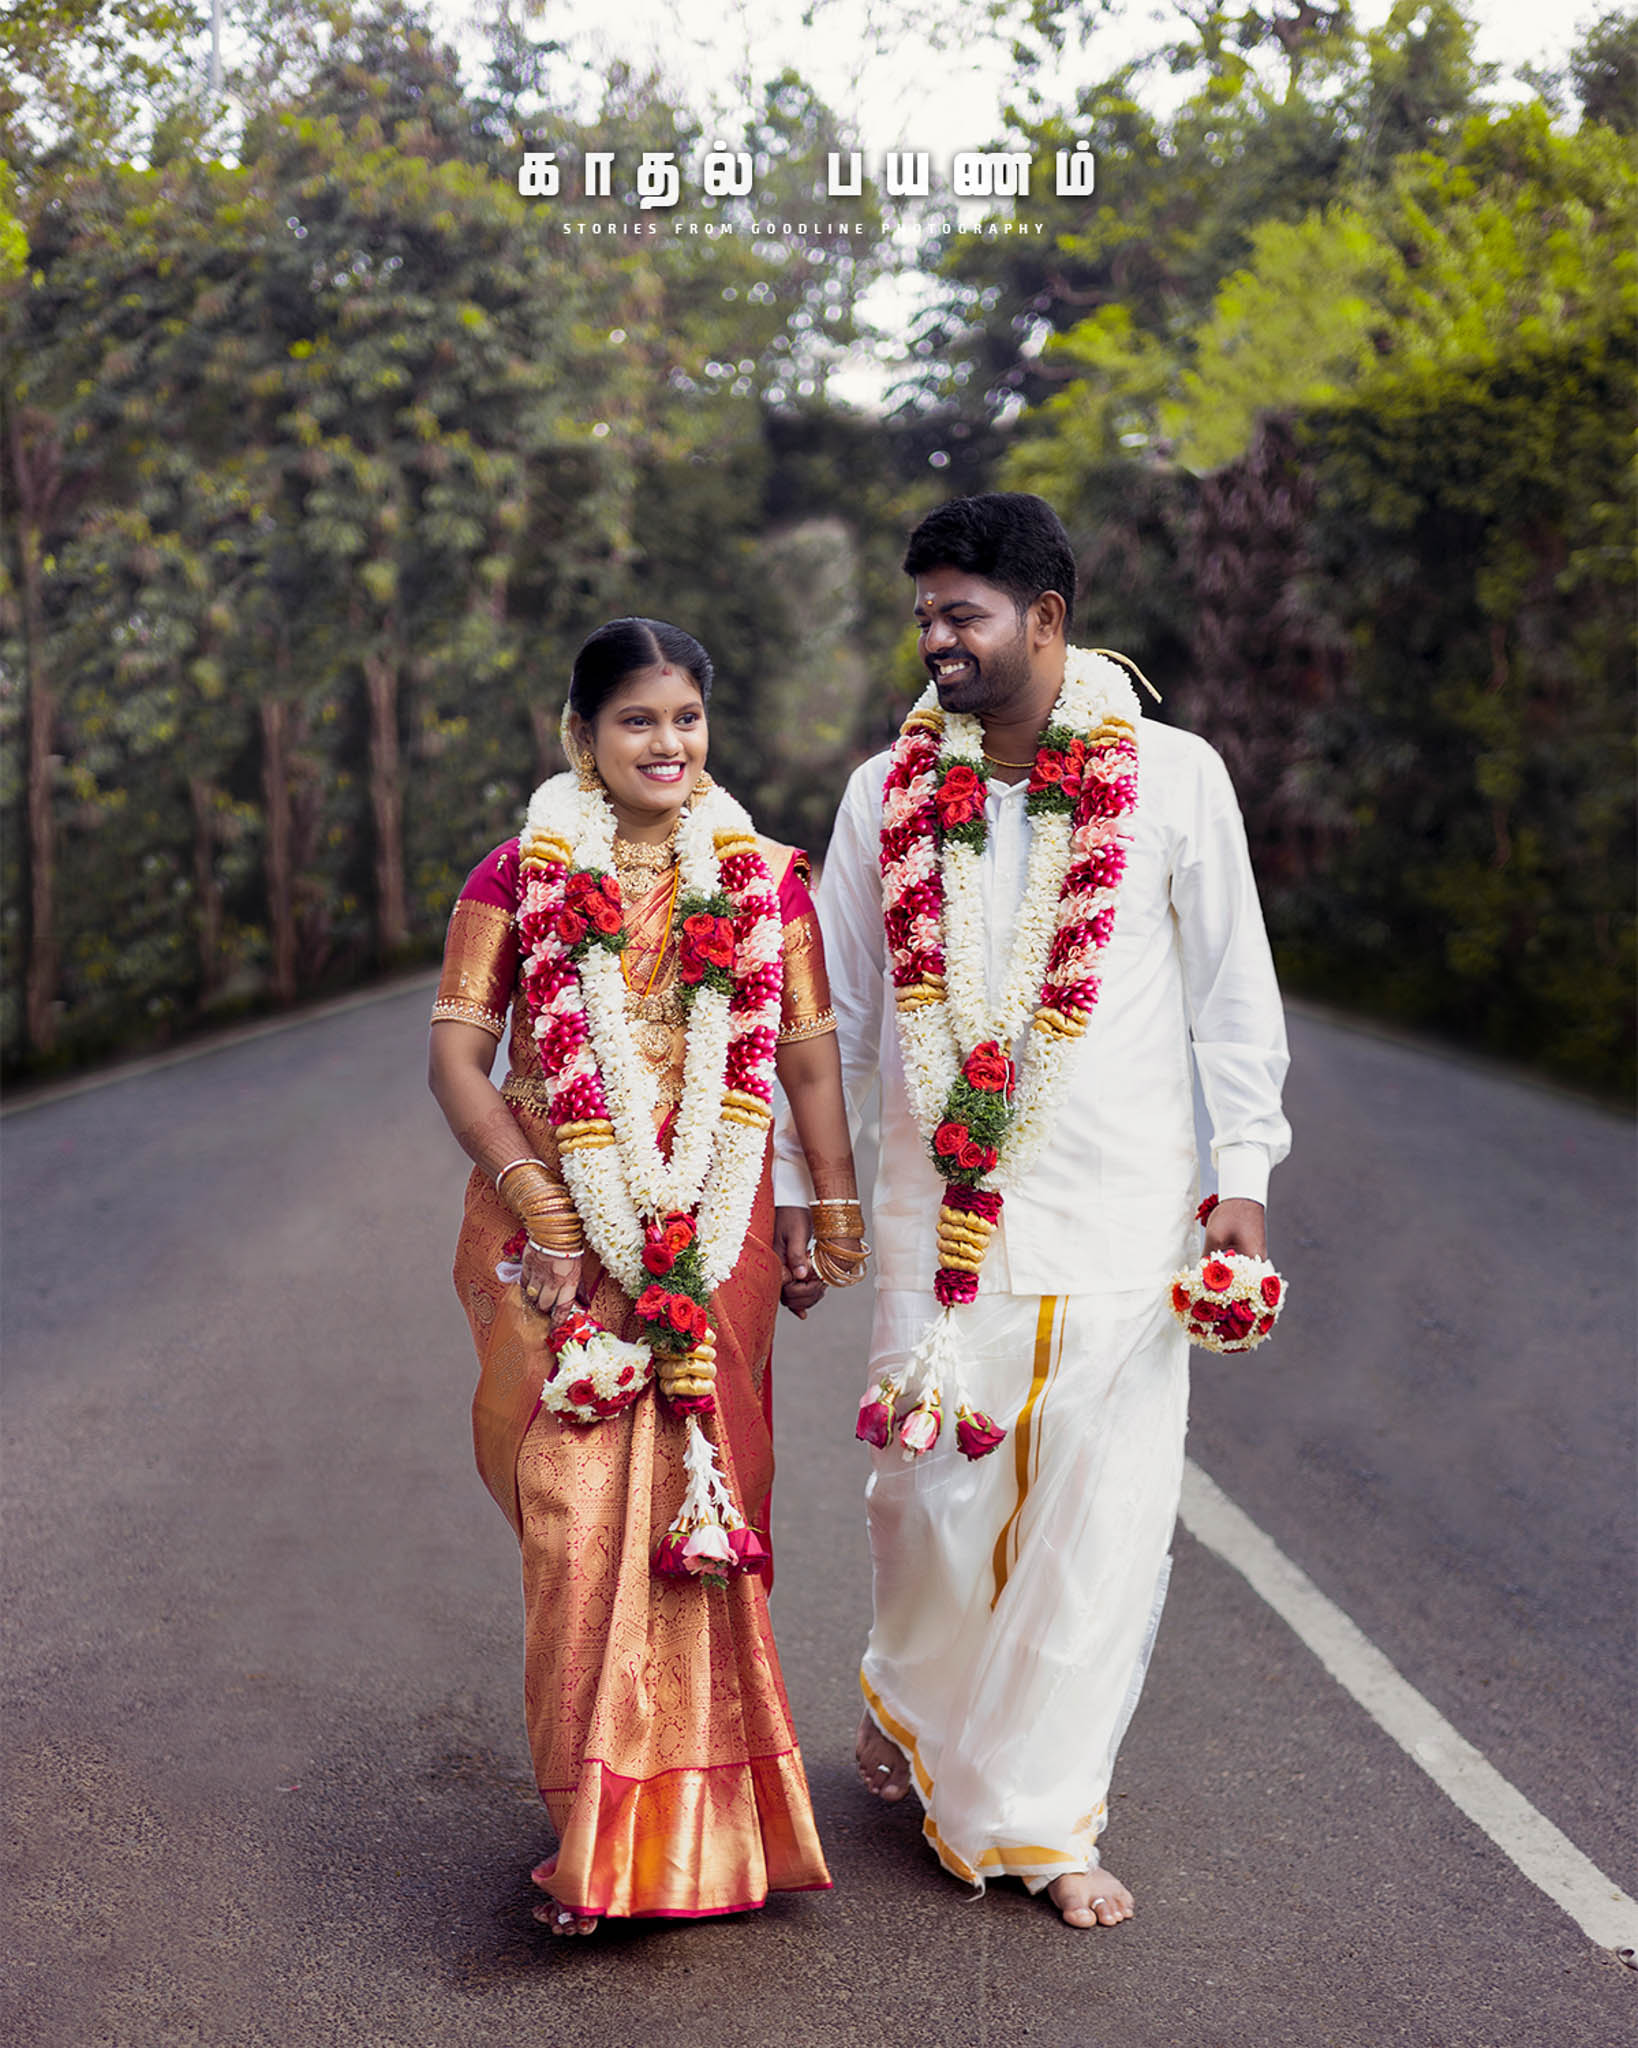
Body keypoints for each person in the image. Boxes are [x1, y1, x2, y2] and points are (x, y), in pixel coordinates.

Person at [773, 493, 1290, 1930]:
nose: (933, 636)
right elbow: (839, 1017)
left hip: (1124, 1217)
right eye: (923, 612)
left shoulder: (1174, 779)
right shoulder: (883, 797)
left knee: (1097, 1523)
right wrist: (801, 1195)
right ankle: (909, 1693)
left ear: (1045, 620)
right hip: (935, 1223)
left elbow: (1229, 997)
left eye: (962, 613)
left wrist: (1237, 1181)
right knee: (920, 1501)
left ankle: (1040, 1821)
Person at [428, 617, 867, 1934]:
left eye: (685, 718)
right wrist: (541, 1205)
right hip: (558, 1226)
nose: (665, 743)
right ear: (580, 736)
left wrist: (822, 1202)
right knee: (575, 1522)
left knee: (707, 1514)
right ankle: (595, 1827)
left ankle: (705, 1834)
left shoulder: (764, 879)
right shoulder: (518, 873)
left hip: (715, 1218)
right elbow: (457, 1057)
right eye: (635, 720)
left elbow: (800, 1058)